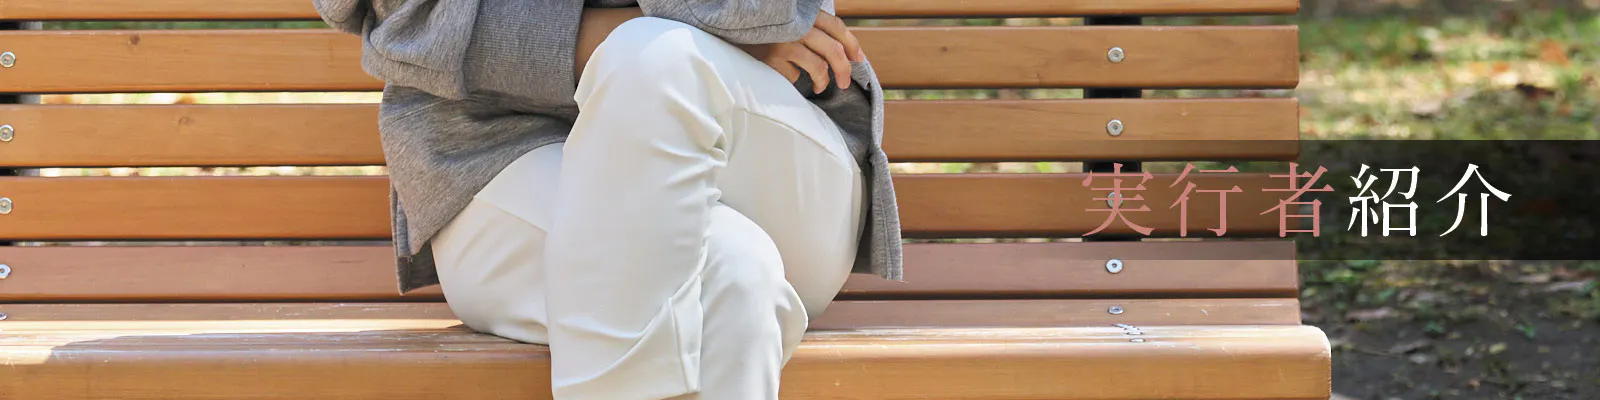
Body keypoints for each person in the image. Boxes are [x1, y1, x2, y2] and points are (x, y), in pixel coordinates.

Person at [312, 1, 903, 399]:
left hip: (778, 172)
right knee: (733, 272)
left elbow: (760, 9)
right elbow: (414, 24)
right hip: (497, 173)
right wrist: (661, 27)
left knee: (657, 58)